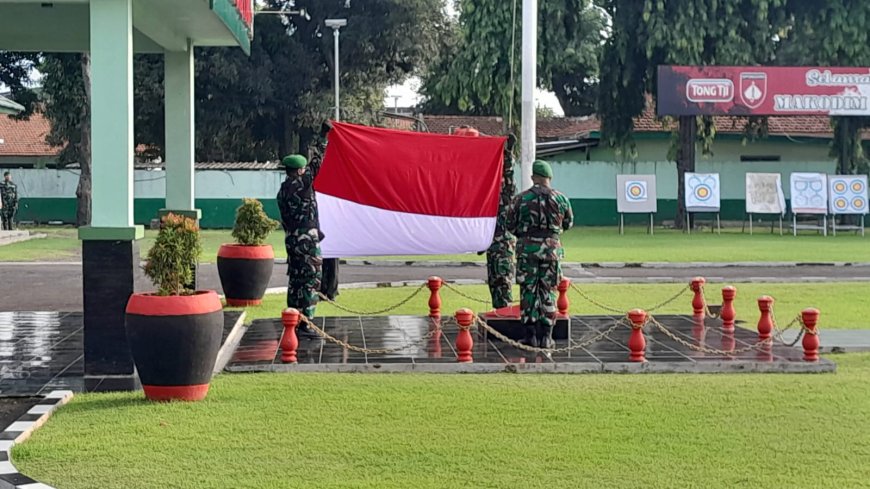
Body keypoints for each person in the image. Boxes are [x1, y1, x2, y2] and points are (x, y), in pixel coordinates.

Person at [507, 160, 574, 349]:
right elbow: (568, 224)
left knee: (528, 290)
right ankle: (547, 337)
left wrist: (526, 236)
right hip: (551, 251)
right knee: (549, 291)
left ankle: (530, 336)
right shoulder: (561, 199)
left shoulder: (520, 199)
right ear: (549, 178)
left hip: (527, 251)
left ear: (533, 177)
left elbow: (510, 224)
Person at [277, 153, 323, 335]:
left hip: (291, 239)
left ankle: (292, 319)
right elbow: (317, 163)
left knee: (296, 279)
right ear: (299, 170)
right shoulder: (303, 184)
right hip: (307, 239)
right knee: (311, 278)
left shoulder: (282, 191)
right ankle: (307, 322)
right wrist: (324, 139)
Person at [485, 133, 518, 309]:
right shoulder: (487, 200)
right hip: (492, 246)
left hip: (503, 246)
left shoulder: (506, 198)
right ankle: (499, 313)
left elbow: (509, 176)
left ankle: (505, 316)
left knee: (503, 282)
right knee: (494, 283)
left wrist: (508, 152)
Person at [311, 122, 340, 300]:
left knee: (330, 252)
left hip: (328, 211)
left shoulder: (331, 165)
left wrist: (324, 136)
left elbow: (318, 156)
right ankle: (327, 288)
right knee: (325, 252)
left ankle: (329, 288)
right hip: (325, 210)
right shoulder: (330, 165)